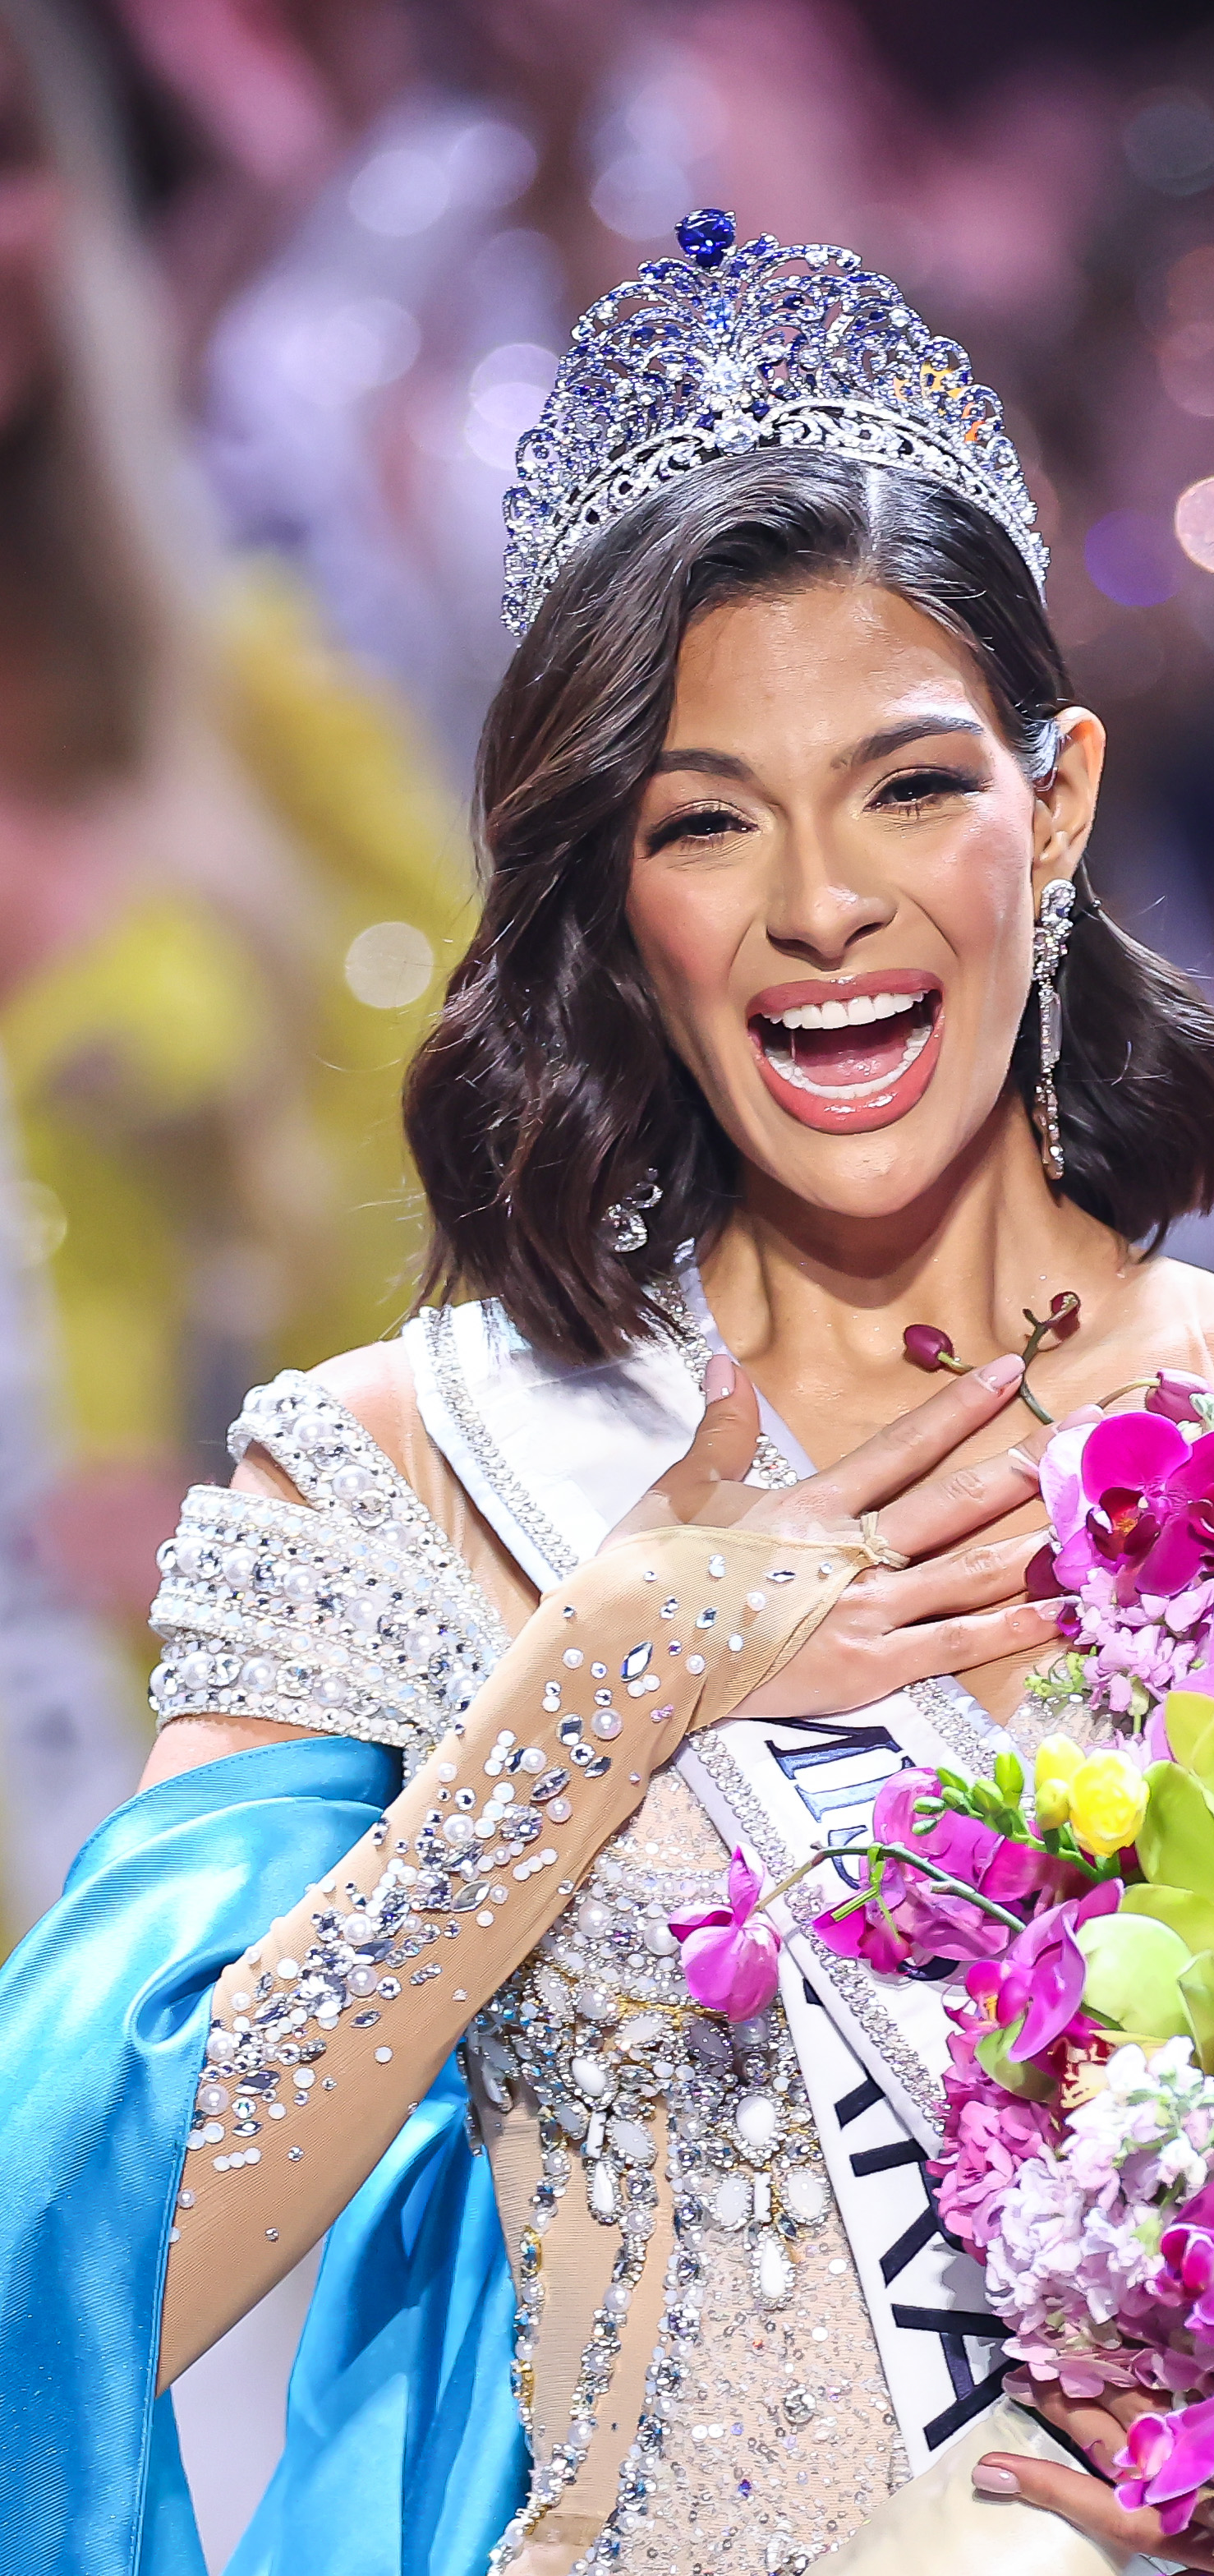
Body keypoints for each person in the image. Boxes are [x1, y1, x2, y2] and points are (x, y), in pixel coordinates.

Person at [2, 224, 1214, 2576]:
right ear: (609, 888)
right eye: (702, 816)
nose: (822, 908)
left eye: (904, 784)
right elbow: (111, 2249)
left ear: (1063, 795)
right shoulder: (416, 1484)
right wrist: (594, 1695)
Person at [0, 0, 469, 1939]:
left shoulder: (255, 713)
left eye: (19, 156)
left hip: (183, 1820)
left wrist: (245, 1528)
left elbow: (495, 1241)